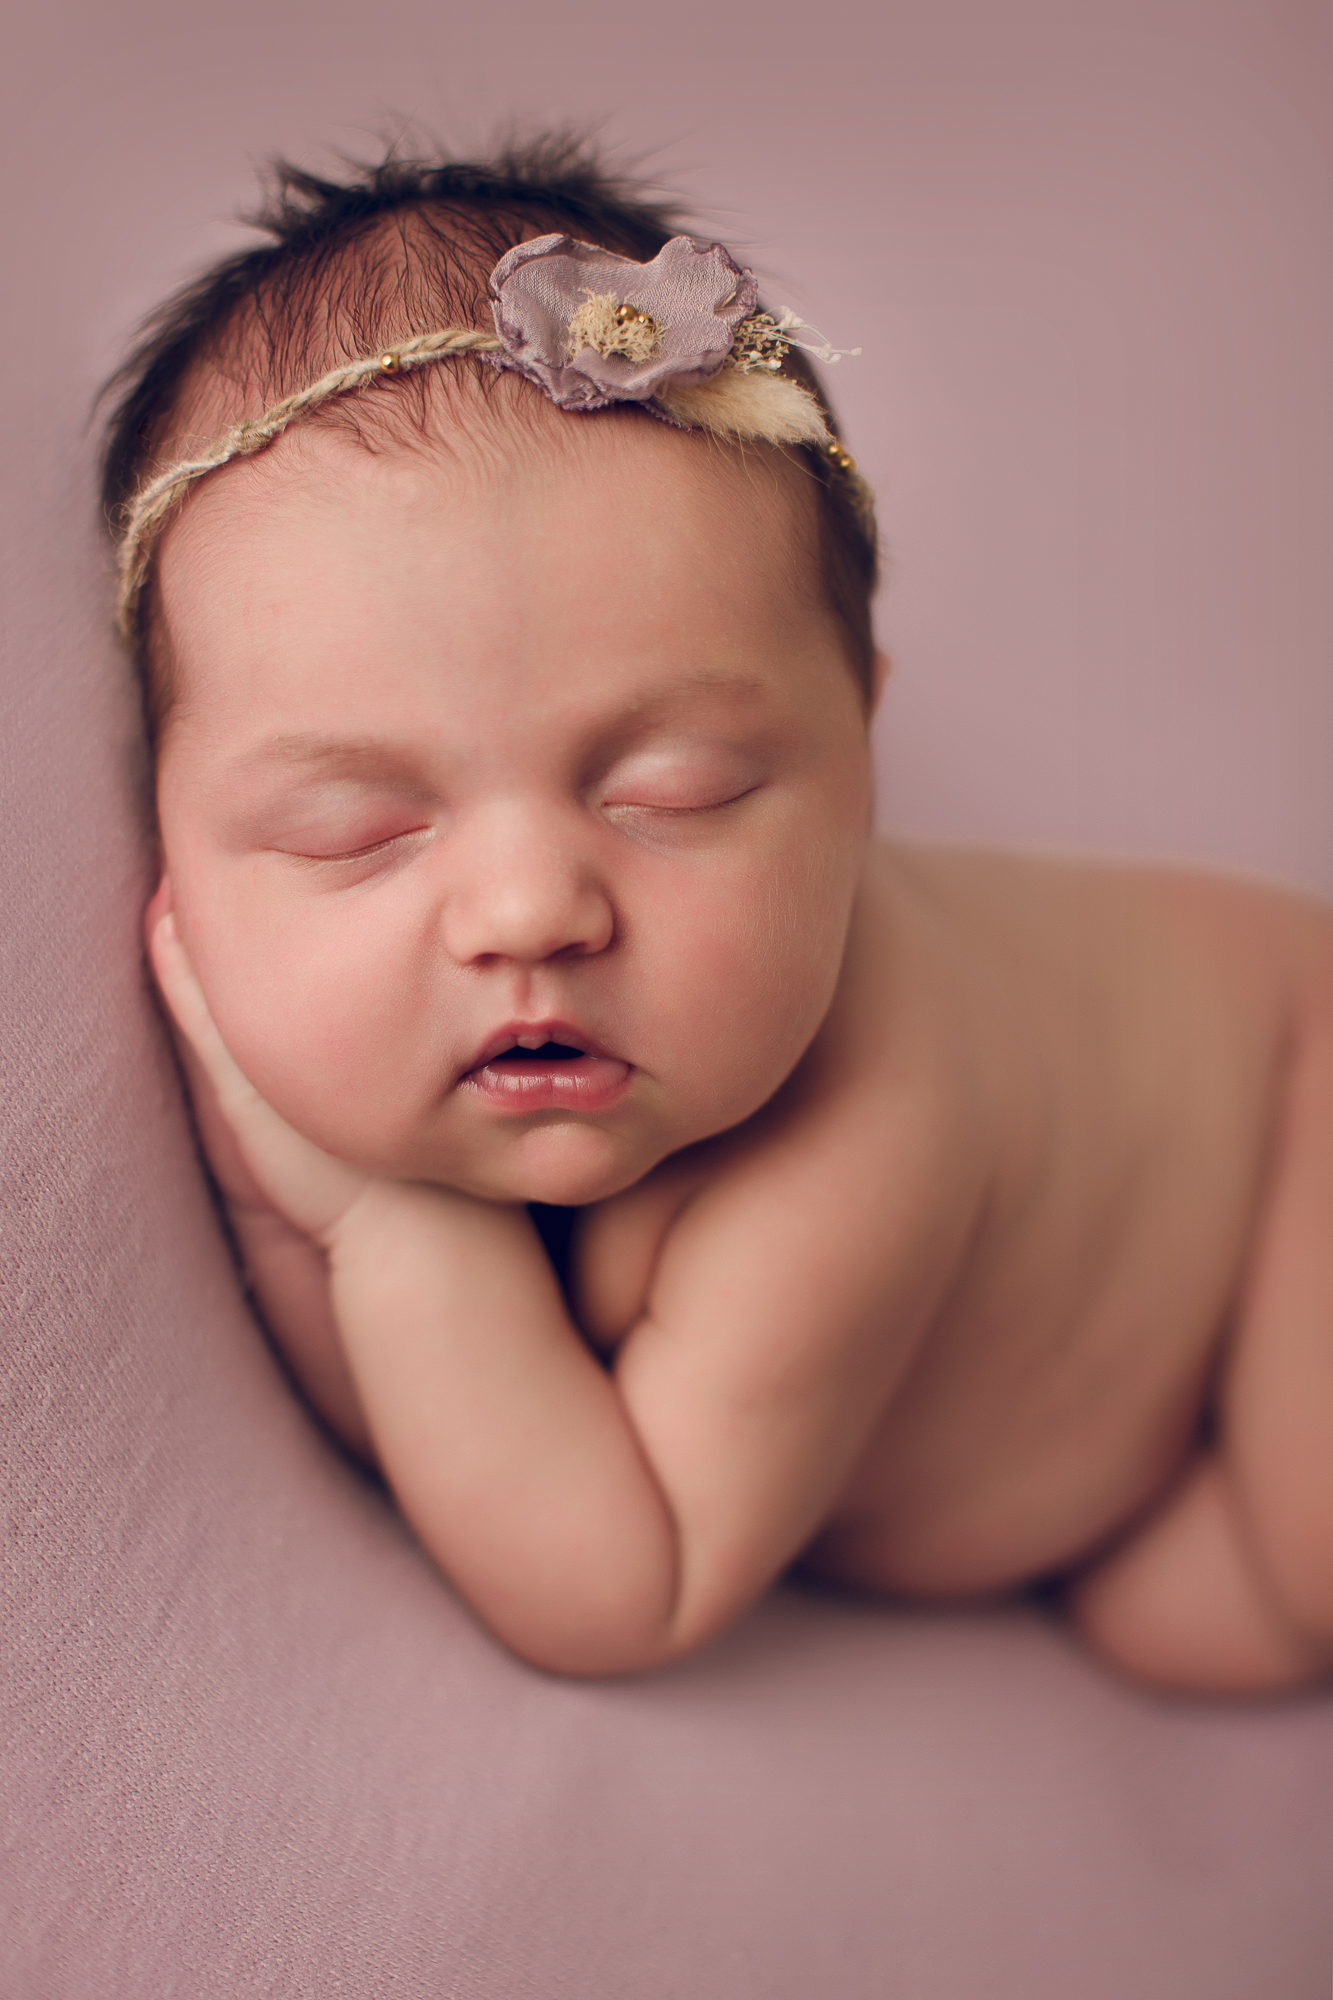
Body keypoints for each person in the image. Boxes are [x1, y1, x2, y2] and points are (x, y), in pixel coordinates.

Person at [102, 138, 1333, 1687]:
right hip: (1110, 1384)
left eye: (670, 794)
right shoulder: (485, 1066)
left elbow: (625, 1582)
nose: (529, 908)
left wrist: (374, 1223)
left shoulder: (854, 1134)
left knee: (1293, 1555)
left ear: (859, 764)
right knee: (1178, 1620)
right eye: (358, 830)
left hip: (1293, 1086)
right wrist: (324, 1227)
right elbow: (455, 1438)